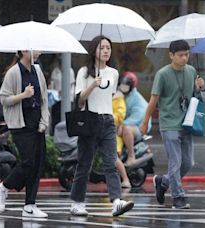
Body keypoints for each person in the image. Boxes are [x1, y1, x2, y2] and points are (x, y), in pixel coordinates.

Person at [69, 35, 134, 217]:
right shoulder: (84, 72)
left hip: (107, 121)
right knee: (84, 164)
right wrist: (92, 85)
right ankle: (77, 202)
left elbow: (110, 97)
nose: (106, 51)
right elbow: (79, 101)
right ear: (94, 51)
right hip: (90, 121)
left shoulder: (113, 73)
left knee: (111, 162)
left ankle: (116, 201)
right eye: (101, 48)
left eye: (108, 48)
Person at [140, 40, 205, 209]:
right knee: (175, 162)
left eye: (187, 54)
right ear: (171, 55)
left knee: (188, 163)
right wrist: (145, 121)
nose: (184, 58)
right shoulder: (162, 74)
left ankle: (163, 182)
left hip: (187, 123)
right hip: (169, 123)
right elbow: (153, 100)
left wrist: (201, 86)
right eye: (181, 55)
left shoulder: (191, 71)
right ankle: (178, 197)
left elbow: (195, 94)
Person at [0, 50, 49, 218]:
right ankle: (2, 187)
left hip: (37, 121)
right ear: (24, 51)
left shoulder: (38, 70)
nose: (39, 52)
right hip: (20, 122)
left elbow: (44, 99)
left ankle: (30, 205)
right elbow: (4, 99)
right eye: (35, 49)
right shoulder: (13, 72)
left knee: (38, 163)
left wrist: (44, 121)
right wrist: (23, 95)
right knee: (29, 161)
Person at [118, 71, 151, 167]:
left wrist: (123, 124)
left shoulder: (136, 99)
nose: (123, 87)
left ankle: (131, 156)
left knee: (126, 129)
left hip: (139, 127)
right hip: (124, 123)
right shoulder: (122, 95)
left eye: (126, 85)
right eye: (122, 84)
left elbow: (137, 117)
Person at [112, 87, 131, 188]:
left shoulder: (118, 98)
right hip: (97, 130)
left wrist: (108, 117)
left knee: (113, 155)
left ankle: (125, 179)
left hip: (112, 131)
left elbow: (120, 115)